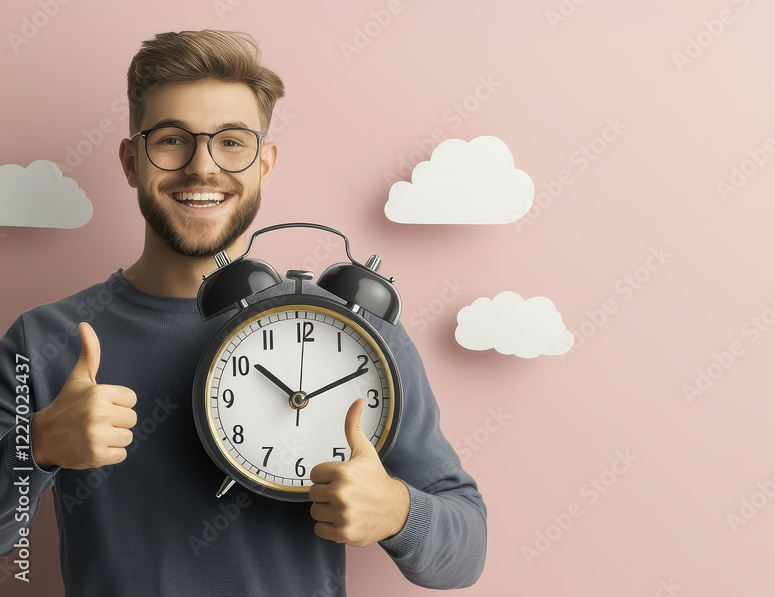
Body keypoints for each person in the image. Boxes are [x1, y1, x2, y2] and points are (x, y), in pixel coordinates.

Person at [0, 30, 486, 596]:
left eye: (232, 142)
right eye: (172, 140)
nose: (202, 167)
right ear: (131, 161)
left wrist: (400, 512)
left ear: (266, 163)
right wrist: (36, 449)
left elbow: (467, 550)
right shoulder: (45, 340)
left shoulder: (358, 334)